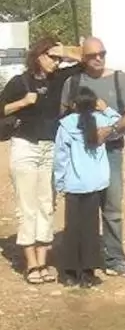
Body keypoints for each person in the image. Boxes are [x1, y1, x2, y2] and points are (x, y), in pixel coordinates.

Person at [0, 37, 82, 284]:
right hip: (25, 146)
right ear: (38, 55)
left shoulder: (58, 80)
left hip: (50, 148)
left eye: (58, 58)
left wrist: (64, 51)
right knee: (28, 205)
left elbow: (85, 62)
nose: (56, 63)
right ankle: (31, 263)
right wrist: (23, 102)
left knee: (47, 203)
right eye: (51, 57)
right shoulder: (19, 82)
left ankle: (43, 259)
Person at [60, 36, 125, 278]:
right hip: (81, 156)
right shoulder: (72, 83)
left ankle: (114, 258)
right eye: (92, 55)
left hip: (111, 152)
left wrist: (110, 130)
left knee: (112, 207)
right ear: (82, 58)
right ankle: (85, 261)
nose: (98, 59)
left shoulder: (119, 79)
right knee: (83, 210)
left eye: (102, 54)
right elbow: (62, 117)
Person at [54, 86, 121, 289]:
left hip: (74, 185)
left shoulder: (65, 125)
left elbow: (60, 158)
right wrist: (106, 108)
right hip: (94, 184)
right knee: (91, 229)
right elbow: (120, 122)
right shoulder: (101, 121)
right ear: (94, 104)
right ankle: (88, 273)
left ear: (74, 105)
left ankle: (70, 273)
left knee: (73, 228)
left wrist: (59, 183)